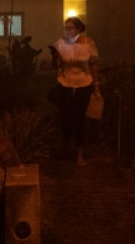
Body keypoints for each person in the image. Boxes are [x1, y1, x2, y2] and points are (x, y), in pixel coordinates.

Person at [51, 16, 100, 166]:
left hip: (84, 83)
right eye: (66, 28)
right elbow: (57, 67)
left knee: (80, 118)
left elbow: (93, 65)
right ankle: (66, 145)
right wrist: (55, 56)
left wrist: (96, 86)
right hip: (65, 83)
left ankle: (79, 154)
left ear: (78, 28)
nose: (68, 31)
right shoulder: (60, 43)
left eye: (71, 28)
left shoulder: (88, 43)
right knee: (66, 117)